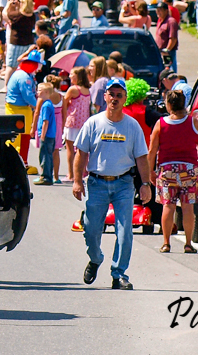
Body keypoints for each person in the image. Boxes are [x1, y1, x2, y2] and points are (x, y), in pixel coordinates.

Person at [72, 77, 153, 290]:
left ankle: (119, 274)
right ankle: (96, 258)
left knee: (125, 230)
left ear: (125, 99)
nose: (115, 99)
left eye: (119, 95)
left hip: (123, 184)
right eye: (112, 95)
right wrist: (77, 181)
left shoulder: (132, 126)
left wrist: (146, 184)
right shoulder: (93, 123)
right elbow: (80, 153)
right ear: (105, 96)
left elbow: (142, 157)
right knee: (90, 229)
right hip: (97, 184)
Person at [147, 89, 198, 254]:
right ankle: (188, 243)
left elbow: (152, 150)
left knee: (169, 206)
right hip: (189, 169)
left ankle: (166, 242)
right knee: (188, 207)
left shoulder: (161, 123)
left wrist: (151, 170)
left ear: (169, 105)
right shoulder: (194, 123)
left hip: (167, 170)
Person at [6, 50, 44, 168]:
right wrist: (38, 106)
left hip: (21, 109)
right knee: (16, 138)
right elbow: (27, 96)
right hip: (17, 109)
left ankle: (23, 162)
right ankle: (15, 163)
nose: (39, 68)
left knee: (25, 137)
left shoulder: (25, 74)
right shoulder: (24, 77)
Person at [62, 66, 92, 184]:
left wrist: (64, 117)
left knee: (70, 149)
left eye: (72, 74)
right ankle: (83, 171)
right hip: (84, 122)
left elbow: (64, 103)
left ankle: (71, 174)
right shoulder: (87, 89)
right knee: (82, 149)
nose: (70, 76)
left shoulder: (73, 89)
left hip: (72, 121)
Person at [33, 82, 60, 185]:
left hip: (47, 135)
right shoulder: (48, 104)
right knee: (48, 155)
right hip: (51, 135)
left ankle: (45, 176)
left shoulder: (46, 106)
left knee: (44, 156)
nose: (37, 92)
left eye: (39, 90)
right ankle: (47, 175)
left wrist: (42, 135)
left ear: (46, 92)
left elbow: (45, 121)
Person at [155, 2, 179, 72]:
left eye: (160, 10)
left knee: (170, 71)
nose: (158, 12)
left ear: (166, 11)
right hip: (161, 52)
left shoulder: (171, 21)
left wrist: (167, 50)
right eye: (157, 10)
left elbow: (173, 38)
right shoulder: (160, 21)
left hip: (168, 52)